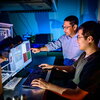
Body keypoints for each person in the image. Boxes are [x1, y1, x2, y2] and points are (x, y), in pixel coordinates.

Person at [31, 21, 100, 100]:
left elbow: (78, 95)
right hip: (71, 85)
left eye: (79, 37)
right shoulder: (85, 54)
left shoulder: (95, 64)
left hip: (73, 93)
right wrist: (53, 66)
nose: (77, 40)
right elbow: (72, 68)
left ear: (89, 39)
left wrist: (47, 85)